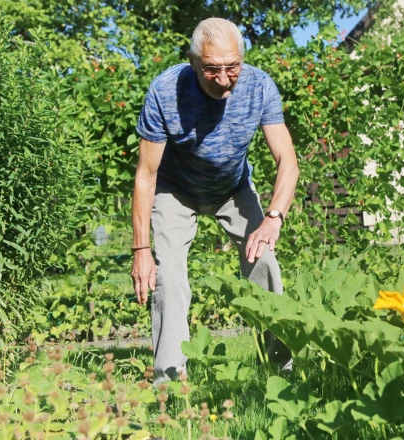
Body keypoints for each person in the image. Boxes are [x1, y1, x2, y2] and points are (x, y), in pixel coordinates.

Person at [130, 18, 299, 383]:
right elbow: (145, 175)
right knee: (169, 276)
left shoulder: (258, 86)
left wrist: (273, 218)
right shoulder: (164, 91)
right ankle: (170, 379)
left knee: (265, 263)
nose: (223, 79)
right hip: (175, 191)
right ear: (193, 62)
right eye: (212, 69)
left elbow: (288, 160)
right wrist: (140, 249)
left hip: (232, 189)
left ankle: (281, 373)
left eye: (232, 67)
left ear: (242, 59)